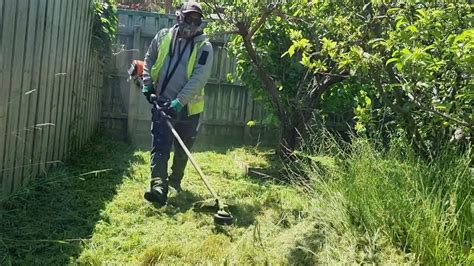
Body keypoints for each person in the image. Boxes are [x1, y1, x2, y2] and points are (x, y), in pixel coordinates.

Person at [142, 1, 213, 206]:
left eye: (196, 20)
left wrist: (179, 103)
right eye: (188, 18)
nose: (192, 23)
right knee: (160, 145)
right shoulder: (163, 36)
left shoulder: (204, 47)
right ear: (178, 17)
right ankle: (158, 187)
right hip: (162, 103)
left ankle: (175, 180)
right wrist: (148, 85)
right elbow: (149, 59)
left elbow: (199, 78)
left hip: (188, 109)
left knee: (183, 149)